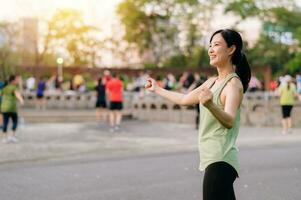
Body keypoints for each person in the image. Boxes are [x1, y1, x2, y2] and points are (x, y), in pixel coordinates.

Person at [145, 29, 251, 200]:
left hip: (221, 159)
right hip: (213, 159)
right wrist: (157, 89)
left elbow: (229, 120)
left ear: (231, 49)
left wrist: (210, 105)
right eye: (210, 45)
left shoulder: (233, 84)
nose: (210, 49)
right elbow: (185, 99)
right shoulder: (212, 82)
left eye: (216, 45)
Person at [1, 75, 24, 143]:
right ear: (13, 81)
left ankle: (4, 137)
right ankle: (12, 136)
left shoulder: (5, 87)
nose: (17, 81)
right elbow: (17, 94)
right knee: (15, 121)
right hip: (11, 107)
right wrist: (21, 100)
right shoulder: (13, 87)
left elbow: (1, 94)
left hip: (4, 107)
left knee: (5, 122)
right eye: (16, 80)